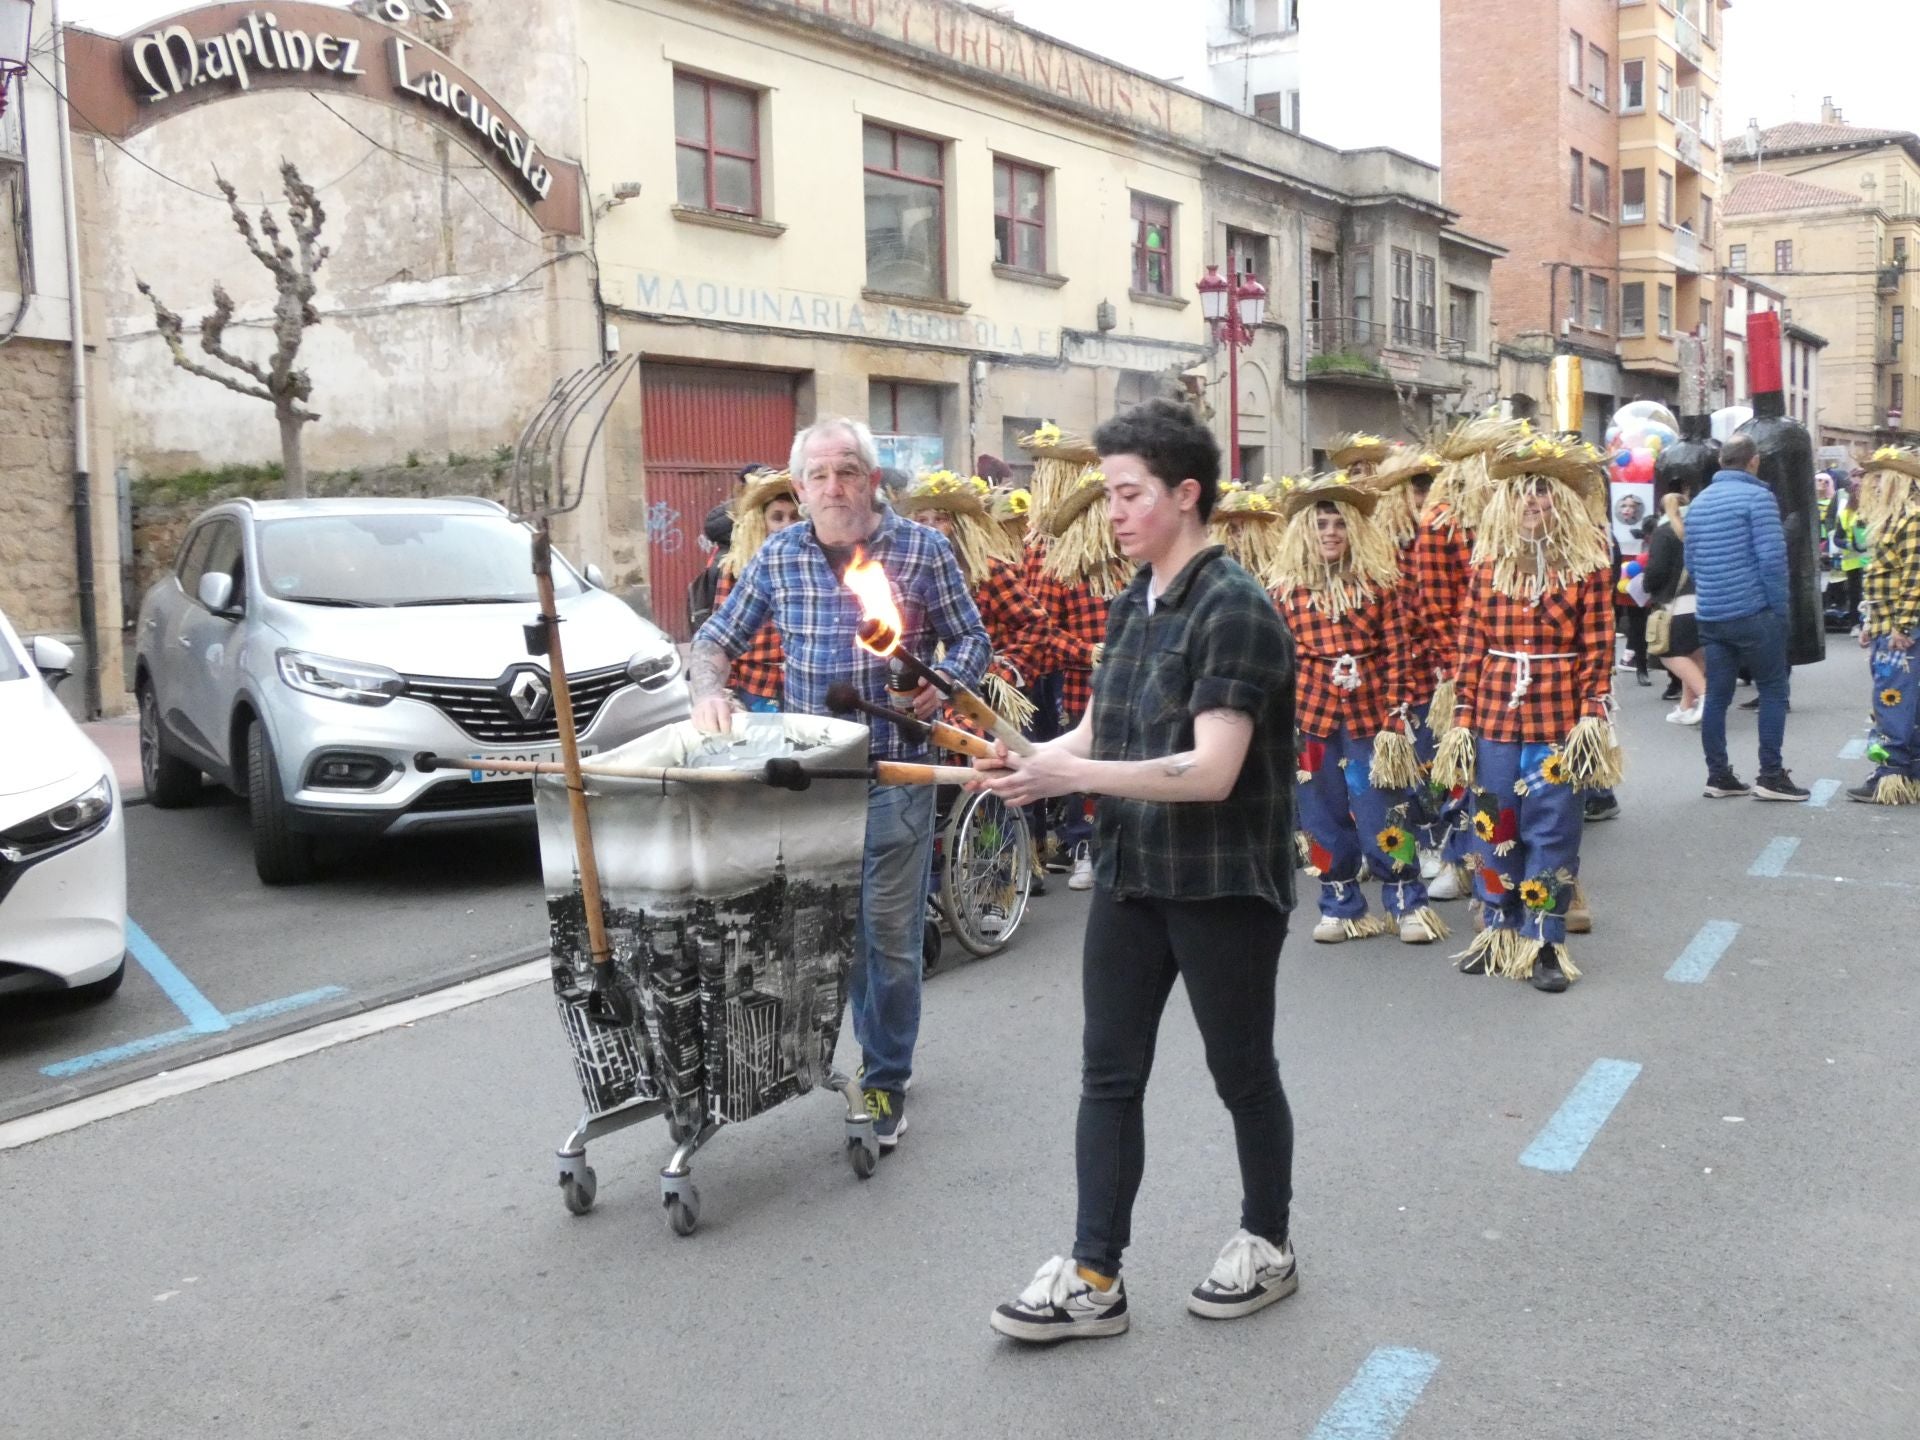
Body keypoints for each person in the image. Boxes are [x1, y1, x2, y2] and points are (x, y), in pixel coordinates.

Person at [979, 398, 1300, 1342]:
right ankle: (1093, 1276)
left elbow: (1212, 771)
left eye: (1129, 494)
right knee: (1107, 1074)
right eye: (1109, 494)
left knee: (1241, 1072)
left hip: (1221, 883)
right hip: (1130, 873)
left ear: (1186, 495)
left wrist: (1074, 772)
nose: (1112, 513)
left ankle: (1268, 1243)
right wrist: (1032, 759)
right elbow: (1100, 731)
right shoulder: (1132, 601)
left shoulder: (1236, 609)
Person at [690, 418, 991, 1149]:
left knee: (886, 938)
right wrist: (708, 690)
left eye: (848, 471)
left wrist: (942, 686)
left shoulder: (924, 549)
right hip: (812, 783)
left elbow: (974, 640)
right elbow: (713, 641)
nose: (834, 487)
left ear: (873, 481)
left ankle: (885, 1078)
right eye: (819, 476)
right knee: (828, 937)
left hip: (894, 772)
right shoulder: (779, 556)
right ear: (798, 489)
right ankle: (850, 1054)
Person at [1434, 437, 1621, 993]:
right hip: (1493, 717)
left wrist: (1592, 712)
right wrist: (1463, 711)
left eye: (1543, 495)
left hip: (1559, 720)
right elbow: (1470, 642)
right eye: (1523, 497)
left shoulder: (1587, 567)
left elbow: (1598, 645)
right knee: (1494, 828)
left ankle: (1543, 940)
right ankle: (1498, 933)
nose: (1533, 505)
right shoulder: (1487, 566)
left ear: (1559, 504)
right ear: (1507, 505)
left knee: (1553, 829)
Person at [1274, 474, 1447, 944]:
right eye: (1320, 524)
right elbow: (1279, 661)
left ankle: (1407, 903)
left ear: (1354, 531)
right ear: (1304, 534)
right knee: (1320, 815)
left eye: (1339, 524)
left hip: (1372, 718)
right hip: (1311, 719)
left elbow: (1399, 652)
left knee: (1385, 811)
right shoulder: (1284, 592)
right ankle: (1339, 905)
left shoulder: (1380, 585)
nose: (1330, 532)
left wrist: (1398, 712)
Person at [1682, 434, 1809, 801]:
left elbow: (1691, 563)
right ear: (1753, 461)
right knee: (1773, 689)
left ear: (1723, 462)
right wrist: (1780, 611)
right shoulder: (1758, 497)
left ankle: (1718, 775)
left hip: (1712, 614)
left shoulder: (1700, 503)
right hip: (1754, 612)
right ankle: (1771, 775)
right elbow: (1772, 560)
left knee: (1718, 696)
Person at [1848, 446, 1920, 804]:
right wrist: (1869, 622)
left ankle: (1892, 776)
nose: (1868, 485)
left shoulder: (1913, 519)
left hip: (1901, 632)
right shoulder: (1896, 520)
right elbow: (1882, 581)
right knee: (1901, 701)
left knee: (1894, 702)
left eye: (1876, 479)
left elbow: (1915, 578)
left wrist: (1902, 627)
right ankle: (1907, 777)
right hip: (1886, 626)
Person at [711, 471, 802, 713]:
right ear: (763, 523)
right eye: (777, 517)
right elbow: (721, 635)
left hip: (804, 689)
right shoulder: (738, 568)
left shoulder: (812, 567)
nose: (787, 525)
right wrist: (727, 693)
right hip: (758, 689)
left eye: (794, 516)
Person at [1644, 490, 1705, 724]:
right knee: (1695, 654)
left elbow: (1656, 571)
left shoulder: (1664, 532)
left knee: (1668, 653)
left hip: (1674, 603)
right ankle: (1686, 707)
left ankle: (1706, 696)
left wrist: (1647, 585)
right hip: (1702, 600)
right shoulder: (1698, 530)